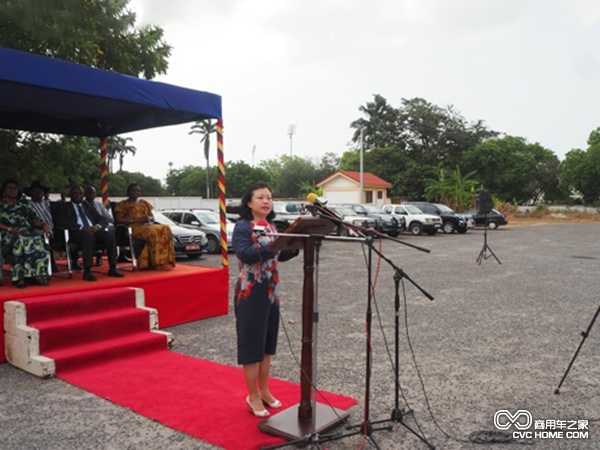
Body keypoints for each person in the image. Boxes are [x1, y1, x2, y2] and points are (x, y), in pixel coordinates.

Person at [232, 182, 299, 417]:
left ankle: (264, 390)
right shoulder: (243, 227)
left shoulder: (271, 226)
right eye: (260, 197)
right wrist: (273, 246)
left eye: (269, 197)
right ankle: (252, 395)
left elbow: (279, 254)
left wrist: (295, 245)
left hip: (271, 293)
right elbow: (246, 254)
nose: (266, 201)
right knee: (252, 346)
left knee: (267, 346)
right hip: (250, 294)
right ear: (249, 203)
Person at [53, 186, 124, 281]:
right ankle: (87, 270)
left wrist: (97, 226)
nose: (78, 195)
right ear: (70, 195)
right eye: (75, 193)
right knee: (88, 236)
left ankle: (113, 267)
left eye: (80, 193)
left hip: (93, 229)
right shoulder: (63, 206)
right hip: (76, 232)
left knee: (109, 235)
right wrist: (82, 227)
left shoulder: (87, 205)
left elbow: (101, 218)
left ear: (83, 195)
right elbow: (62, 221)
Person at [0, 179, 51, 288]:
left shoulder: (23, 204)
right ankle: (19, 277)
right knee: (21, 240)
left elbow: (33, 219)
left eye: (15, 188)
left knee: (37, 238)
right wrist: (10, 229)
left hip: (26, 232)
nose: (13, 190)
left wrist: (44, 225)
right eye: (10, 187)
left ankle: (37, 274)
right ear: (4, 190)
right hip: (7, 233)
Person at [114, 183, 175, 271]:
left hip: (146, 225)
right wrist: (137, 220)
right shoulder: (123, 204)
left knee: (166, 228)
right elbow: (119, 219)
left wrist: (147, 218)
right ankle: (156, 262)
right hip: (132, 227)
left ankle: (164, 261)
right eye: (133, 190)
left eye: (138, 190)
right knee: (153, 232)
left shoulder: (144, 203)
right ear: (128, 192)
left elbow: (152, 216)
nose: (136, 192)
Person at [24, 180, 58, 273]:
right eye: (35, 190)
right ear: (30, 193)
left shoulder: (49, 203)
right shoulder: (27, 205)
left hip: (53, 229)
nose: (38, 192)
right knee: (41, 237)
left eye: (40, 190)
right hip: (36, 230)